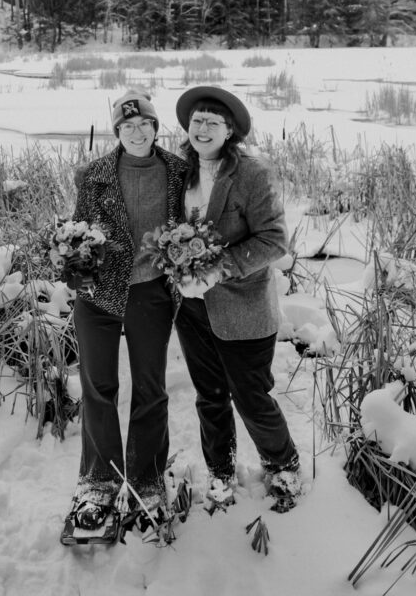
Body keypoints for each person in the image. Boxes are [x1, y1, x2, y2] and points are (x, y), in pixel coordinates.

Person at [174, 85, 302, 513]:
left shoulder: (251, 174)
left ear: (230, 131)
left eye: (213, 121)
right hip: (192, 308)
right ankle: (220, 471)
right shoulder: (180, 172)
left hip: (243, 307)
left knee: (251, 396)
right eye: (197, 120)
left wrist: (218, 267)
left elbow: (274, 239)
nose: (203, 128)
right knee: (209, 394)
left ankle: (283, 465)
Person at [66, 90, 187, 532]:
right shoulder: (93, 175)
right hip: (98, 293)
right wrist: (75, 264)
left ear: (156, 127)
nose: (137, 132)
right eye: (127, 126)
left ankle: (147, 480)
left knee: (150, 388)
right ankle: (98, 481)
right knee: (98, 387)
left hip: (150, 292)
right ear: (117, 131)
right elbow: (79, 232)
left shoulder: (179, 172)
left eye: (144, 124)